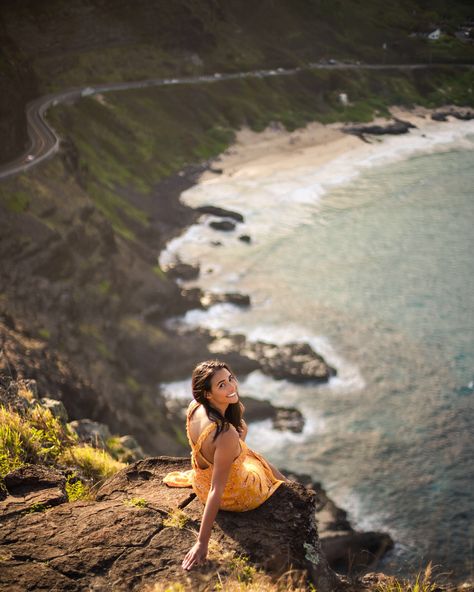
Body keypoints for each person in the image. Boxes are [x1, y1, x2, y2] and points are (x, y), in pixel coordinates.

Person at [163, 359, 289, 571]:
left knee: (249, 453)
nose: (232, 387)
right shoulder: (225, 434)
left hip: (200, 483)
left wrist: (238, 440)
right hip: (236, 494)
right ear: (208, 394)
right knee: (259, 461)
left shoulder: (194, 408)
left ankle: (289, 485)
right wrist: (202, 543)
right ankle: (290, 488)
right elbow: (217, 489)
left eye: (231, 379)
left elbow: (214, 457)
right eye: (222, 385)